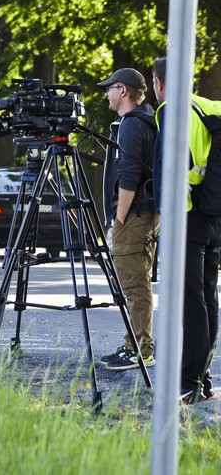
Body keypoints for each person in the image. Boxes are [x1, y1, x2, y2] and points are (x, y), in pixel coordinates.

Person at [151, 56, 221, 403]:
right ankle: (203, 378)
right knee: (208, 300)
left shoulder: (171, 112)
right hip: (214, 217)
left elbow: (175, 168)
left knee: (192, 304)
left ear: (160, 83)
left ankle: (189, 382)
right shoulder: (210, 107)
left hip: (189, 216)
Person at [96, 68, 160, 371]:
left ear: (123, 90)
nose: (106, 93)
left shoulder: (132, 126)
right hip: (144, 215)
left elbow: (129, 176)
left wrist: (117, 221)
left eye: (109, 88)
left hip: (133, 217)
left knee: (134, 286)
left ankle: (140, 349)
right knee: (137, 282)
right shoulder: (145, 121)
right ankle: (136, 343)